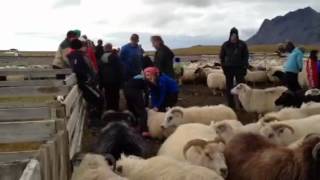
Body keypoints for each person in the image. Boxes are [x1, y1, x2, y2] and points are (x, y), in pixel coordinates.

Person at [67, 39, 102, 124]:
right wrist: (87, 78)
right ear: (80, 46)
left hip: (86, 81)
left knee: (96, 98)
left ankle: (94, 119)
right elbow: (78, 69)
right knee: (98, 98)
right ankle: (94, 121)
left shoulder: (75, 55)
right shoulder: (77, 56)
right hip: (85, 82)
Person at [220, 27, 249, 108]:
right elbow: (222, 57)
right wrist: (224, 67)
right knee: (229, 86)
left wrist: (245, 67)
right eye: (232, 35)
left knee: (241, 86)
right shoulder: (226, 45)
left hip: (239, 68)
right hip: (228, 68)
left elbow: (246, 56)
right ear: (230, 35)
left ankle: (242, 104)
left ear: (237, 35)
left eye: (235, 34)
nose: (234, 36)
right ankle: (231, 105)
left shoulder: (242, 44)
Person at [98, 43, 124, 111]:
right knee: (115, 96)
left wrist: (100, 84)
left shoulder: (101, 58)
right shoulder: (115, 57)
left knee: (108, 96)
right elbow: (120, 69)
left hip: (105, 82)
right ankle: (116, 110)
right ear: (111, 48)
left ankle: (109, 111)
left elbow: (100, 71)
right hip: (115, 81)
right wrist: (121, 82)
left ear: (105, 48)